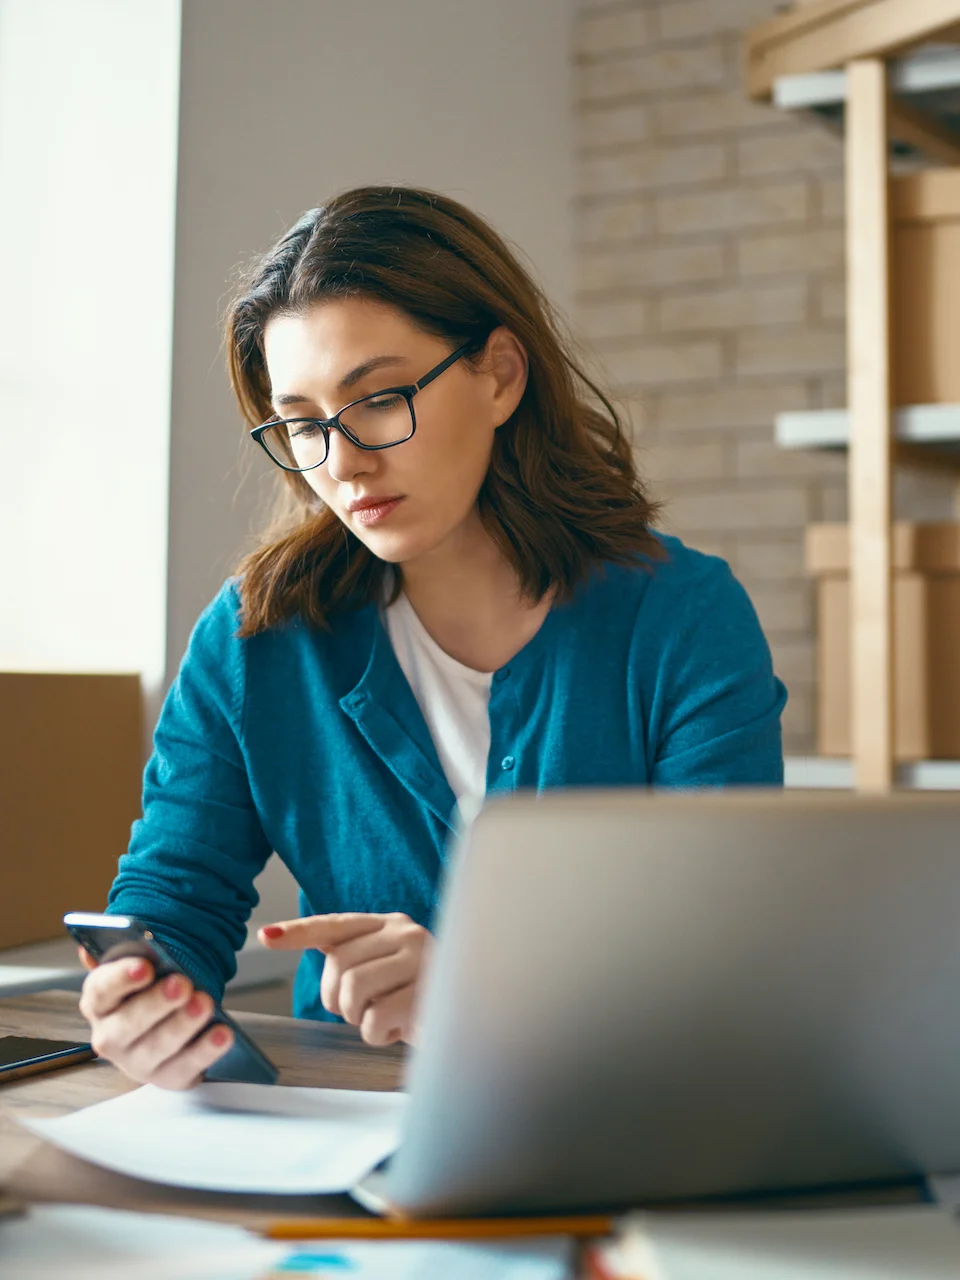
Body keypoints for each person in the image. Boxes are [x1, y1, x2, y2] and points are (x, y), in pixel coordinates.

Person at [78, 186, 787, 1090]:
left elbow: (730, 954)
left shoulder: (682, 618)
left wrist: (482, 988)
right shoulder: (257, 638)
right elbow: (174, 895)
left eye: (377, 399)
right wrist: (145, 994)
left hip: (614, 1115)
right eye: (301, 423)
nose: (341, 462)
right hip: (348, 1113)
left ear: (500, 374)